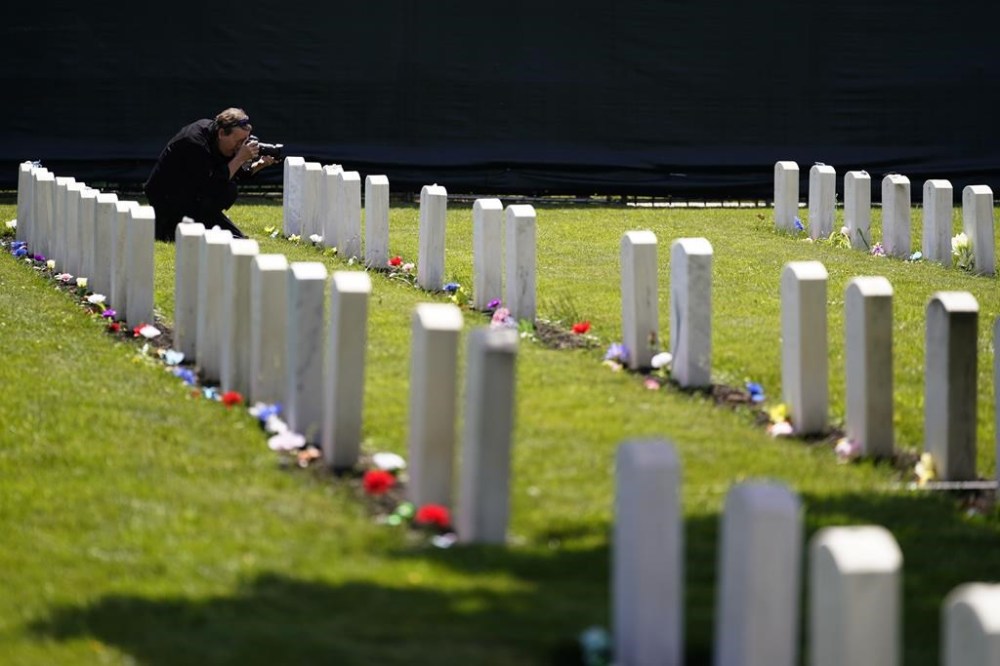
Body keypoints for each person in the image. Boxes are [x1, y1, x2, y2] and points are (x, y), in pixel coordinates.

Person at [143, 107, 278, 241]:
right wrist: (240, 158)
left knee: (238, 239)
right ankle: (169, 229)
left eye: (245, 141)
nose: (241, 146)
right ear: (221, 133)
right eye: (238, 141)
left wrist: (260, 164)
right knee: (226, 190)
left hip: (192, 195)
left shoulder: (219, 140)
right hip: (168, 198)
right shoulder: (195, 143)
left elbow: (231, 173)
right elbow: (213, 184)